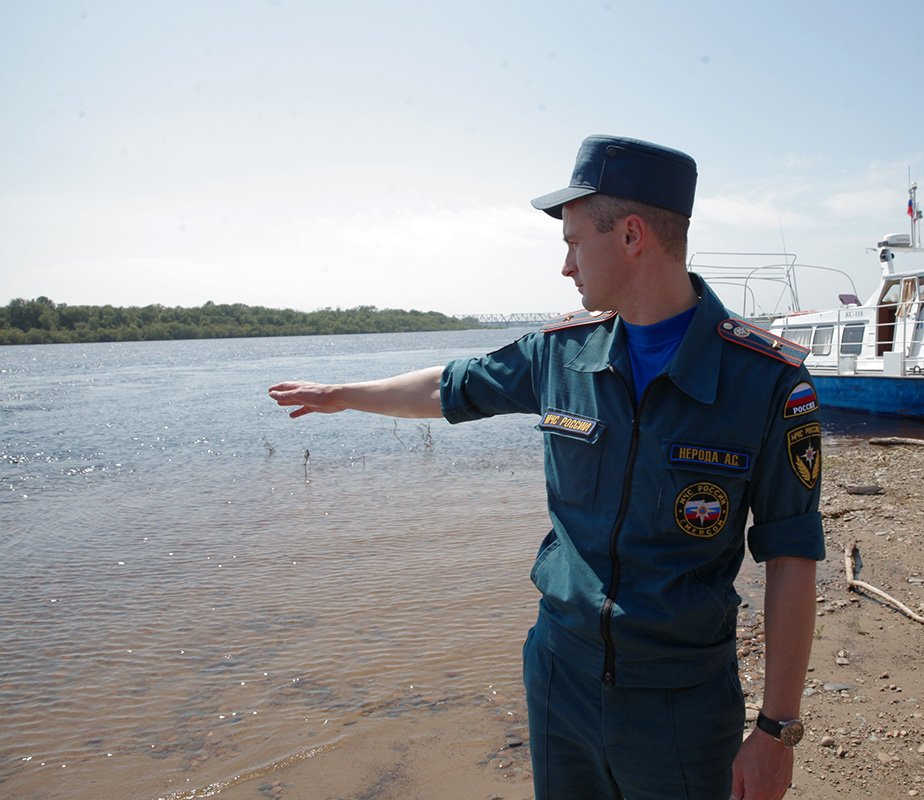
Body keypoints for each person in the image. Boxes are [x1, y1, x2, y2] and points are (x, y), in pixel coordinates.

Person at [268, 135, 824, 800]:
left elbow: (792, 556)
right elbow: (449, 388)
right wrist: (343, 397)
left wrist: (776, 729)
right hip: (561, 675)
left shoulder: (764, 380)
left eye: (572, 240)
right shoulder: (560, 355)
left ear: (631, 236)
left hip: (681, 699)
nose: (565, 266)